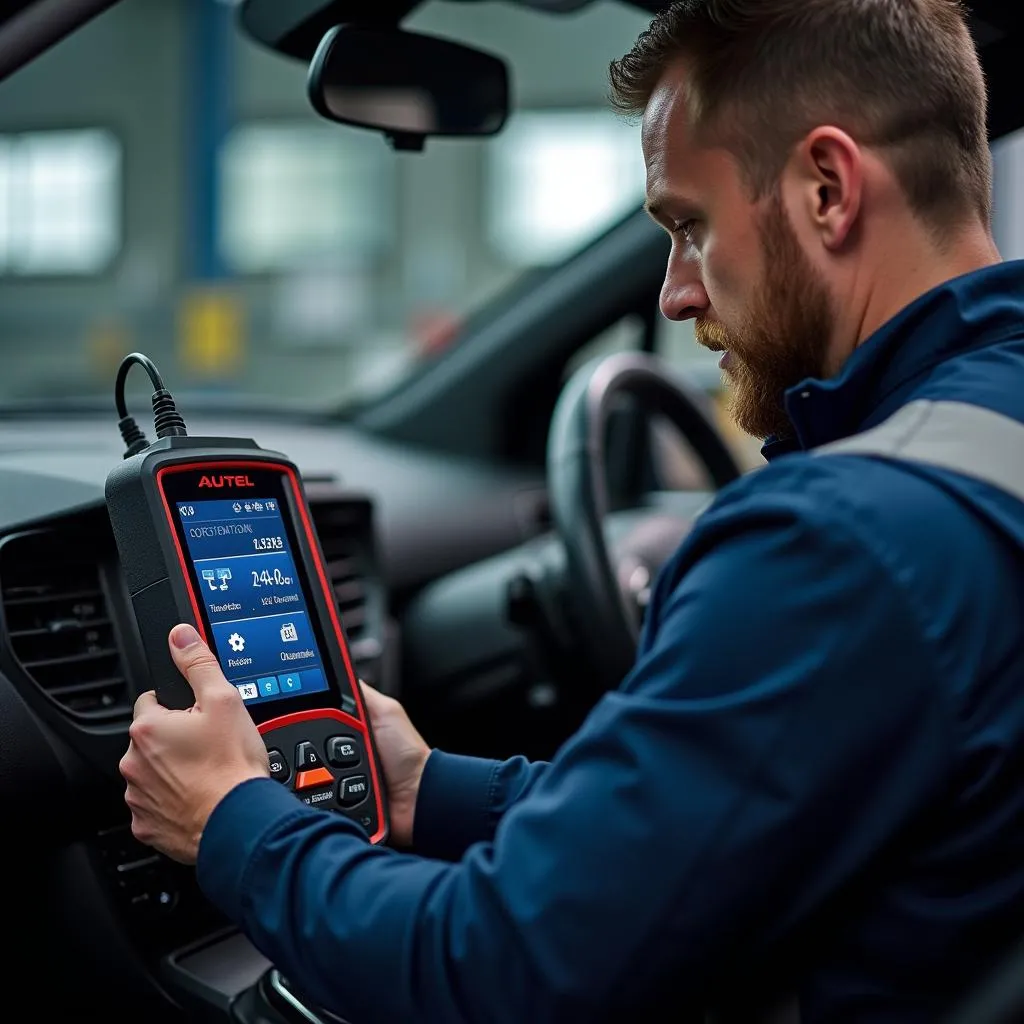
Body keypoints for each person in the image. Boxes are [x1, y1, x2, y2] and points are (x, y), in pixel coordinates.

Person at [119, 1, 1024, 1021]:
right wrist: (425, 788)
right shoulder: (982, 441)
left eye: (690, 225)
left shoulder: (839, 543)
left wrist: (236, 822)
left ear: (827, 187)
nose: (676, 295)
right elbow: (710, 821)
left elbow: (496, 972)